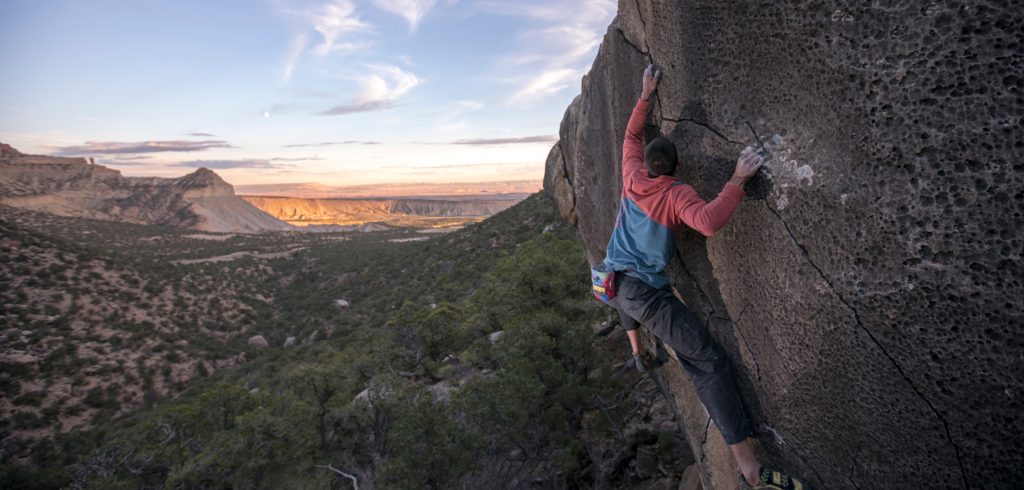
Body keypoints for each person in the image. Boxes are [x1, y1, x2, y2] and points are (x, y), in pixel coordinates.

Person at [603, 64, 813, 490]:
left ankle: (637, 349)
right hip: (643, 294)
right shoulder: (675, 192)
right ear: (676, 168)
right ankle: (750, 471)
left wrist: (645, 93)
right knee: (707, 361)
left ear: (645, 165)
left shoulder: (631, 175)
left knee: (627, 300)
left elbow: (630, 136)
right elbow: (708, 222)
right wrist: (737, 179)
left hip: (613, 281)